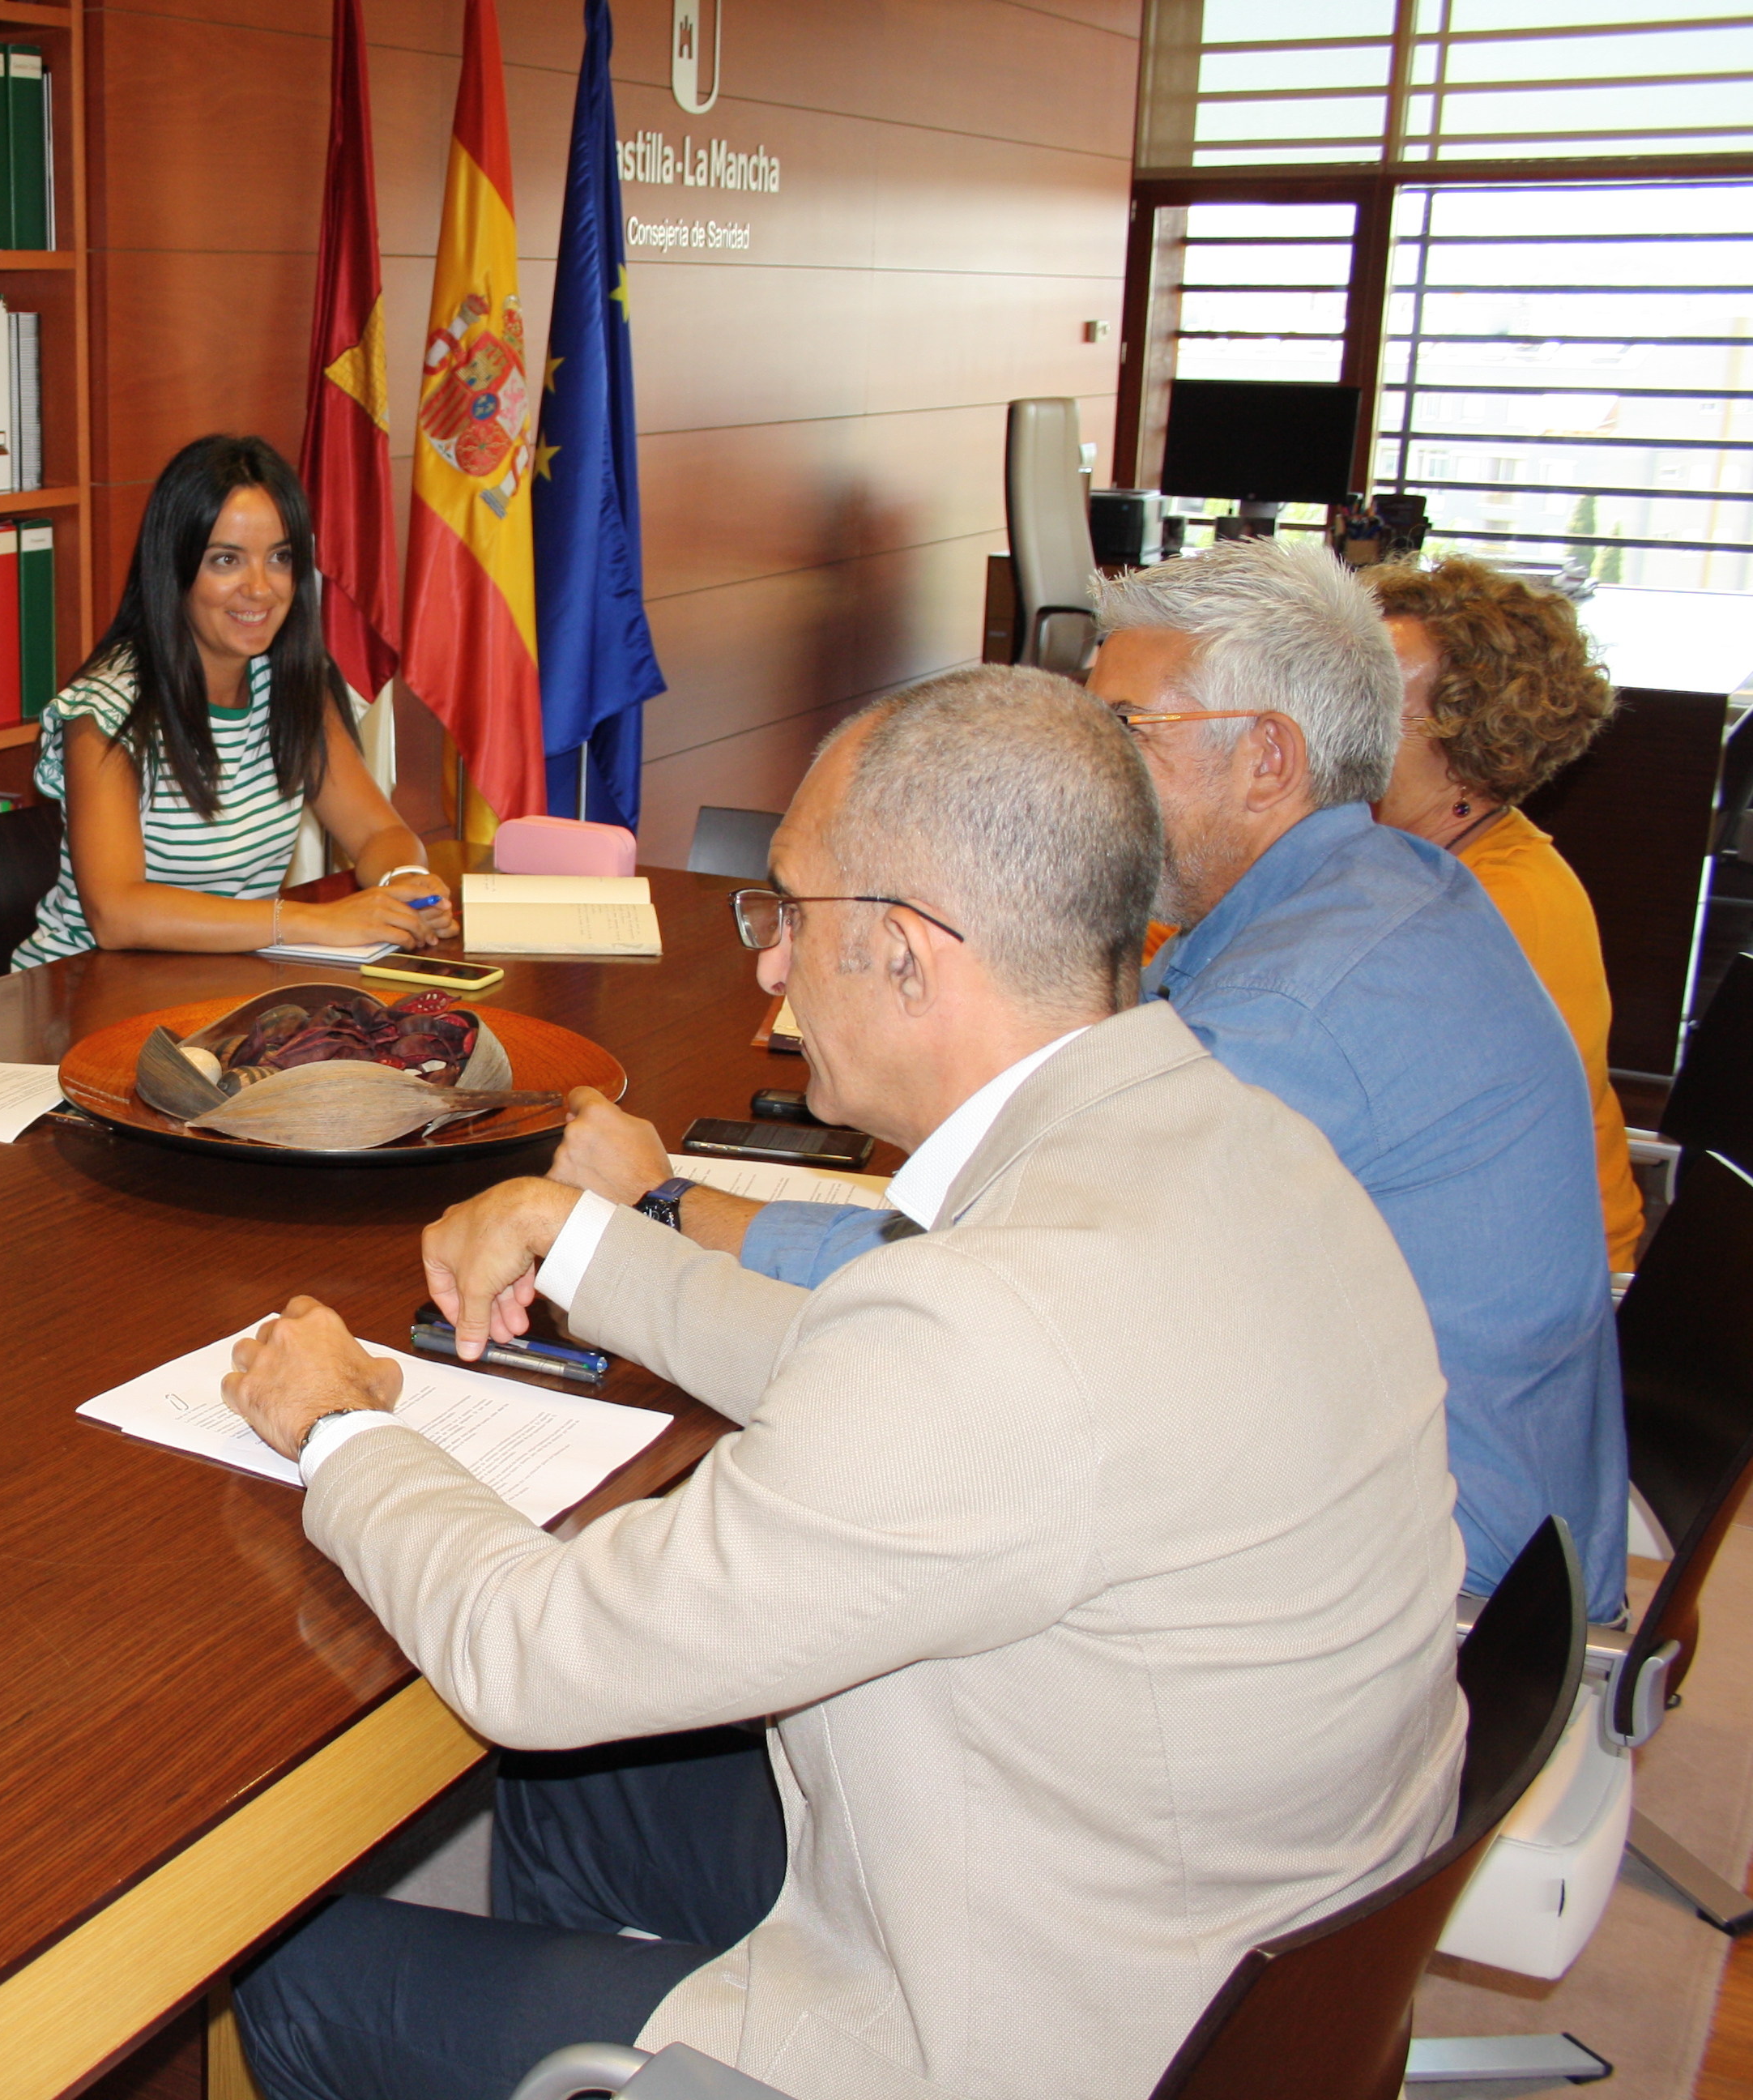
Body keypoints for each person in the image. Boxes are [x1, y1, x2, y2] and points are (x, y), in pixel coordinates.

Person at [218, 667, 1464, 2100]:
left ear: (910, 956)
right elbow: (875, 1372)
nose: (765, 965)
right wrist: (586, 1246)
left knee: (296, 1978)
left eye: (787, 912)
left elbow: (533, 1649)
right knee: (577, 1798)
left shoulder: (994, 1331)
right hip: (1180, 1923)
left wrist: (339, 1426)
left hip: (1022, 2029)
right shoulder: (1242, 1144)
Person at [574, 538, 1627, 1624]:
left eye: (1125, 733)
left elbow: (999, 1265)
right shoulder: (1373, 891)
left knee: (832, 1564)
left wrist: (679, 1205)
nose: (1087, 766)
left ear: (1268, 758)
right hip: (1412, 1480)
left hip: (1432, 1580)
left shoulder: (1296, 1011)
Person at [9, 434, 459, 968]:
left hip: (219, 979)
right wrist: (310, 920)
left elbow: (381, 832)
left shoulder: (294, 687)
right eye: (227, 560)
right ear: (173, 568)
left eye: (281, 558)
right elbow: (117, 912)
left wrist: (403, 885)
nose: (261, 588)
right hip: (82, 992)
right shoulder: (107, 711)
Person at [1367, 557, 1642, 1271]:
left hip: (1541, 1280)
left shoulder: (1503, 904)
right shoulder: (1395, 852)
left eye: (1368, 690)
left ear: (1465, 733)